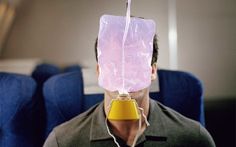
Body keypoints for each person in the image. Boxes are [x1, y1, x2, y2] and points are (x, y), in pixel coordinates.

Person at [43, 33, 215, 147]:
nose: (124, 73)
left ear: (152, 71)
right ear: (99, 71)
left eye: (134, 61)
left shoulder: (194, 139)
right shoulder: (62, 142)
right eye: (113, 63)